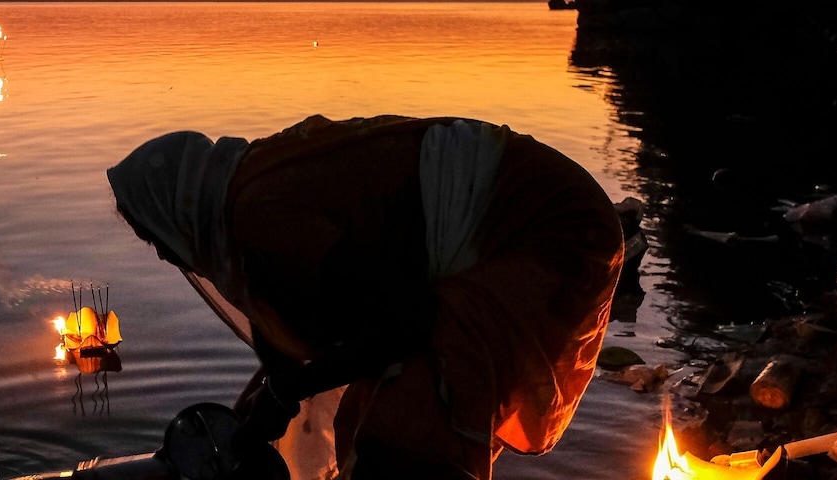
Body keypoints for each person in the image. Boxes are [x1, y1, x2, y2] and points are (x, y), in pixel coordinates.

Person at [108, 115, 624, 479]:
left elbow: (409, 318)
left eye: (154, 237)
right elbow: (330, 316)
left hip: (548, 228)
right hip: (533, 212)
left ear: (177, 213)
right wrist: (275, 387)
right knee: (364, 419)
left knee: (406, 432)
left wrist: (287, 393)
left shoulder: (260, 215)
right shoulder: (252, 192)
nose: (163, 253)